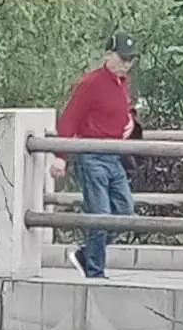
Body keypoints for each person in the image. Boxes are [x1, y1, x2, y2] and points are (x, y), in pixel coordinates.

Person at [55, 32, 140, 279]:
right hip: (91, 156)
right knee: (101, 213)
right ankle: (95, 272)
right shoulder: (91, 83)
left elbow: (124, 109)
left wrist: (131, 121)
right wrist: (61, 155)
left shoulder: (122, 83)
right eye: (123, 58)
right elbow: (69, 119)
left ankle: (86, 254)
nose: (127, 64)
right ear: (108, 55)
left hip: (115, 156)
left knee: (124, 213)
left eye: (130, 59)